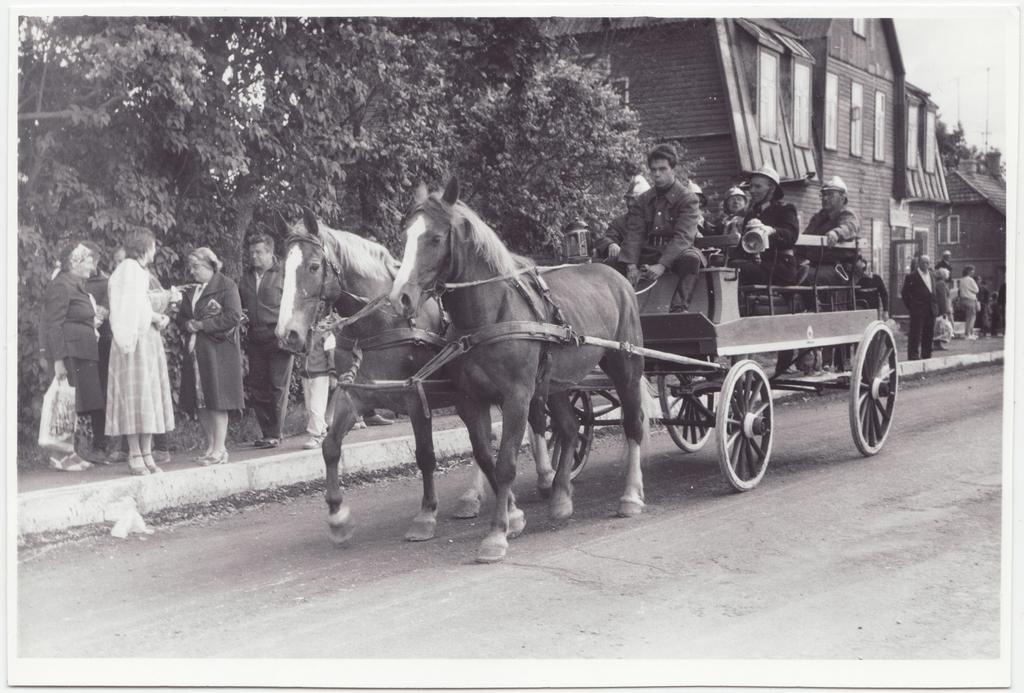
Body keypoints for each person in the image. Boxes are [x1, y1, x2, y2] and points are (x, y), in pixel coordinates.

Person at [106, 229, 176, 475]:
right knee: (135, 395)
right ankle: (135, 452)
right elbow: (131, 310)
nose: (155, 251)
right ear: (144, 247)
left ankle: (146, 452)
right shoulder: (129, 271)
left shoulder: (138, 271)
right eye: (153, 246)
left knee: (148, 395)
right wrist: (159, 317)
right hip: (134, 341)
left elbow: (140, 306)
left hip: (146, 339)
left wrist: (155, 315)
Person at [39, 241, 106, 471]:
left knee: (74, 404)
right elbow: (53, 325)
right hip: (69, 354)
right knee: (64, 404)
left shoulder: (75, 284)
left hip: (81, 353)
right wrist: (58, 360)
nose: (93, 266)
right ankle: (58, 456)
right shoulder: (61, 285)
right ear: (74, 262)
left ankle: (71, 453)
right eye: (88, 260)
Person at [178, 248, 245, 466]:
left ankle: (220, 449)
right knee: (201, 401)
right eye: (191, 267)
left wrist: (203, 325)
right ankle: (210, 447)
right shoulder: (193, 290)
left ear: (210, 266)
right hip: (196, 351)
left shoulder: (227, 285)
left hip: (219, 352)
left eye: (196, 267)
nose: (192, 271)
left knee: (217, 400)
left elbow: (234, 316)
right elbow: (183, 316)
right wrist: (186, 323)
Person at [617, 143, 704, 312]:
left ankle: (679, 309)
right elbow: (635, 233)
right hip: (648, 251)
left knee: (692, 260)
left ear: (673, 169)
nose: (657, 174)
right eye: (653, 170)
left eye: (662, 169)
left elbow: (683, 237)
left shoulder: (687, 199)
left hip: (675, 252)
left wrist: (662, 265)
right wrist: (631, 266)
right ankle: (618, 311)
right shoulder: (643, 200)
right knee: (612, 264)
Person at [239, 231, 293, 449]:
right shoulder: (246, 277)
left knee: (278, 386)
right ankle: (266, 432)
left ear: (270, 253)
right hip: (254, 336)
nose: (254, 257)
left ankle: (276, 433)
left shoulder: (284, 274)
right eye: (251, 252)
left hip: (278, 336)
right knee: (258, 386)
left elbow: (294, 305)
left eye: (259, 252)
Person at [732, 165, 801, 286]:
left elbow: (791, 236)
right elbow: (743, 246)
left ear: (772, 189)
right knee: (725, 267)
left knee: (736, 270)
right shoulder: (751, 214)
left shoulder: (785, 209)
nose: (752, 190)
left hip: (780, 269)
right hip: (758, 266)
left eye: (757, 186)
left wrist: (770, 231)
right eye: (751, 186)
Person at [593, 174, 651, 262]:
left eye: (635, 199)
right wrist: (611, 244)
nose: (630, 203)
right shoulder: (619, 223)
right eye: (628, 199)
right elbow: (606, 238)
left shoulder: (657, 221)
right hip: (625, 268)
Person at [301, 321, 338, 449]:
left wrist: (333, 374)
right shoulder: (306, 332)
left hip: (321, 374)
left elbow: (331, 355)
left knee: (316, 406)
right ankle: (322, 430)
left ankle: (316, 436)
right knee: (309, 406)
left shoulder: (327, 335)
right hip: (306, 374)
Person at [900, 254, 940, 360]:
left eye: (928, 263)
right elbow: (905, 293)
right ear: (919, 263)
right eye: (924, 263)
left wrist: (936, 306)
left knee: (929, 332)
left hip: (931, 309)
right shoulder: (912, 276)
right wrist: (912, 306)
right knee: (915, 333)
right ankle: (913, 355)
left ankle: (926, 354)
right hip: (918, 309)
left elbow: (934, 291)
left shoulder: (932, 275)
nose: (926, 265)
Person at [804, 176, 859, 246]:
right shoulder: (817, 218)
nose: (825, 198)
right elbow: (807, 235)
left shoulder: (847, 214)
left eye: (830, 194)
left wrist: (836, 233)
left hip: (840, 256)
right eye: (823, 195)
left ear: (842, 199)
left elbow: (849, 227)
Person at [932, 267, 953, 350]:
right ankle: (937, 344)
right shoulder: (941, 284)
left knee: (938, 326)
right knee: (940, 326)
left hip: (938, 307)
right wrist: (944, 310)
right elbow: (942, 298)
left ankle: (937, 344)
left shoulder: (937, 282)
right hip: (940, 308)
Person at [959, 265, 980, 340]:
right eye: (972, 270)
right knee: (972, 317)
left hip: (963, 299)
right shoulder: (970, 280)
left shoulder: (961, 280)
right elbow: (977, 290)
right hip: (970, 299)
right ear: (969, 271)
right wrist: (972, 290)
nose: (973, 272)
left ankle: (968, 333)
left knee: (968, 317)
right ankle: (969, 334)